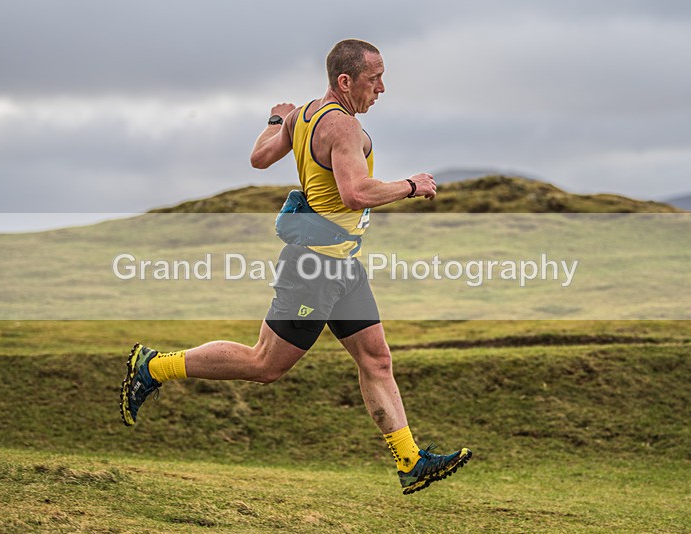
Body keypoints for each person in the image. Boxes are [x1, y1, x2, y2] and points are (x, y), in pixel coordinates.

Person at [120, 39, 471, 495]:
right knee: (264, 364)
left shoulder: (303, 114)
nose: (382, 88)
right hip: (314, 270)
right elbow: (356, 194)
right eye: (374, 78)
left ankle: (411, 462)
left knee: (377, 360)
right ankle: (154, 366)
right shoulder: (343, 128)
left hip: (343, 266)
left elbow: (260, 157)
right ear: (345, 81)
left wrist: (276, 120)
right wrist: (410, 184)